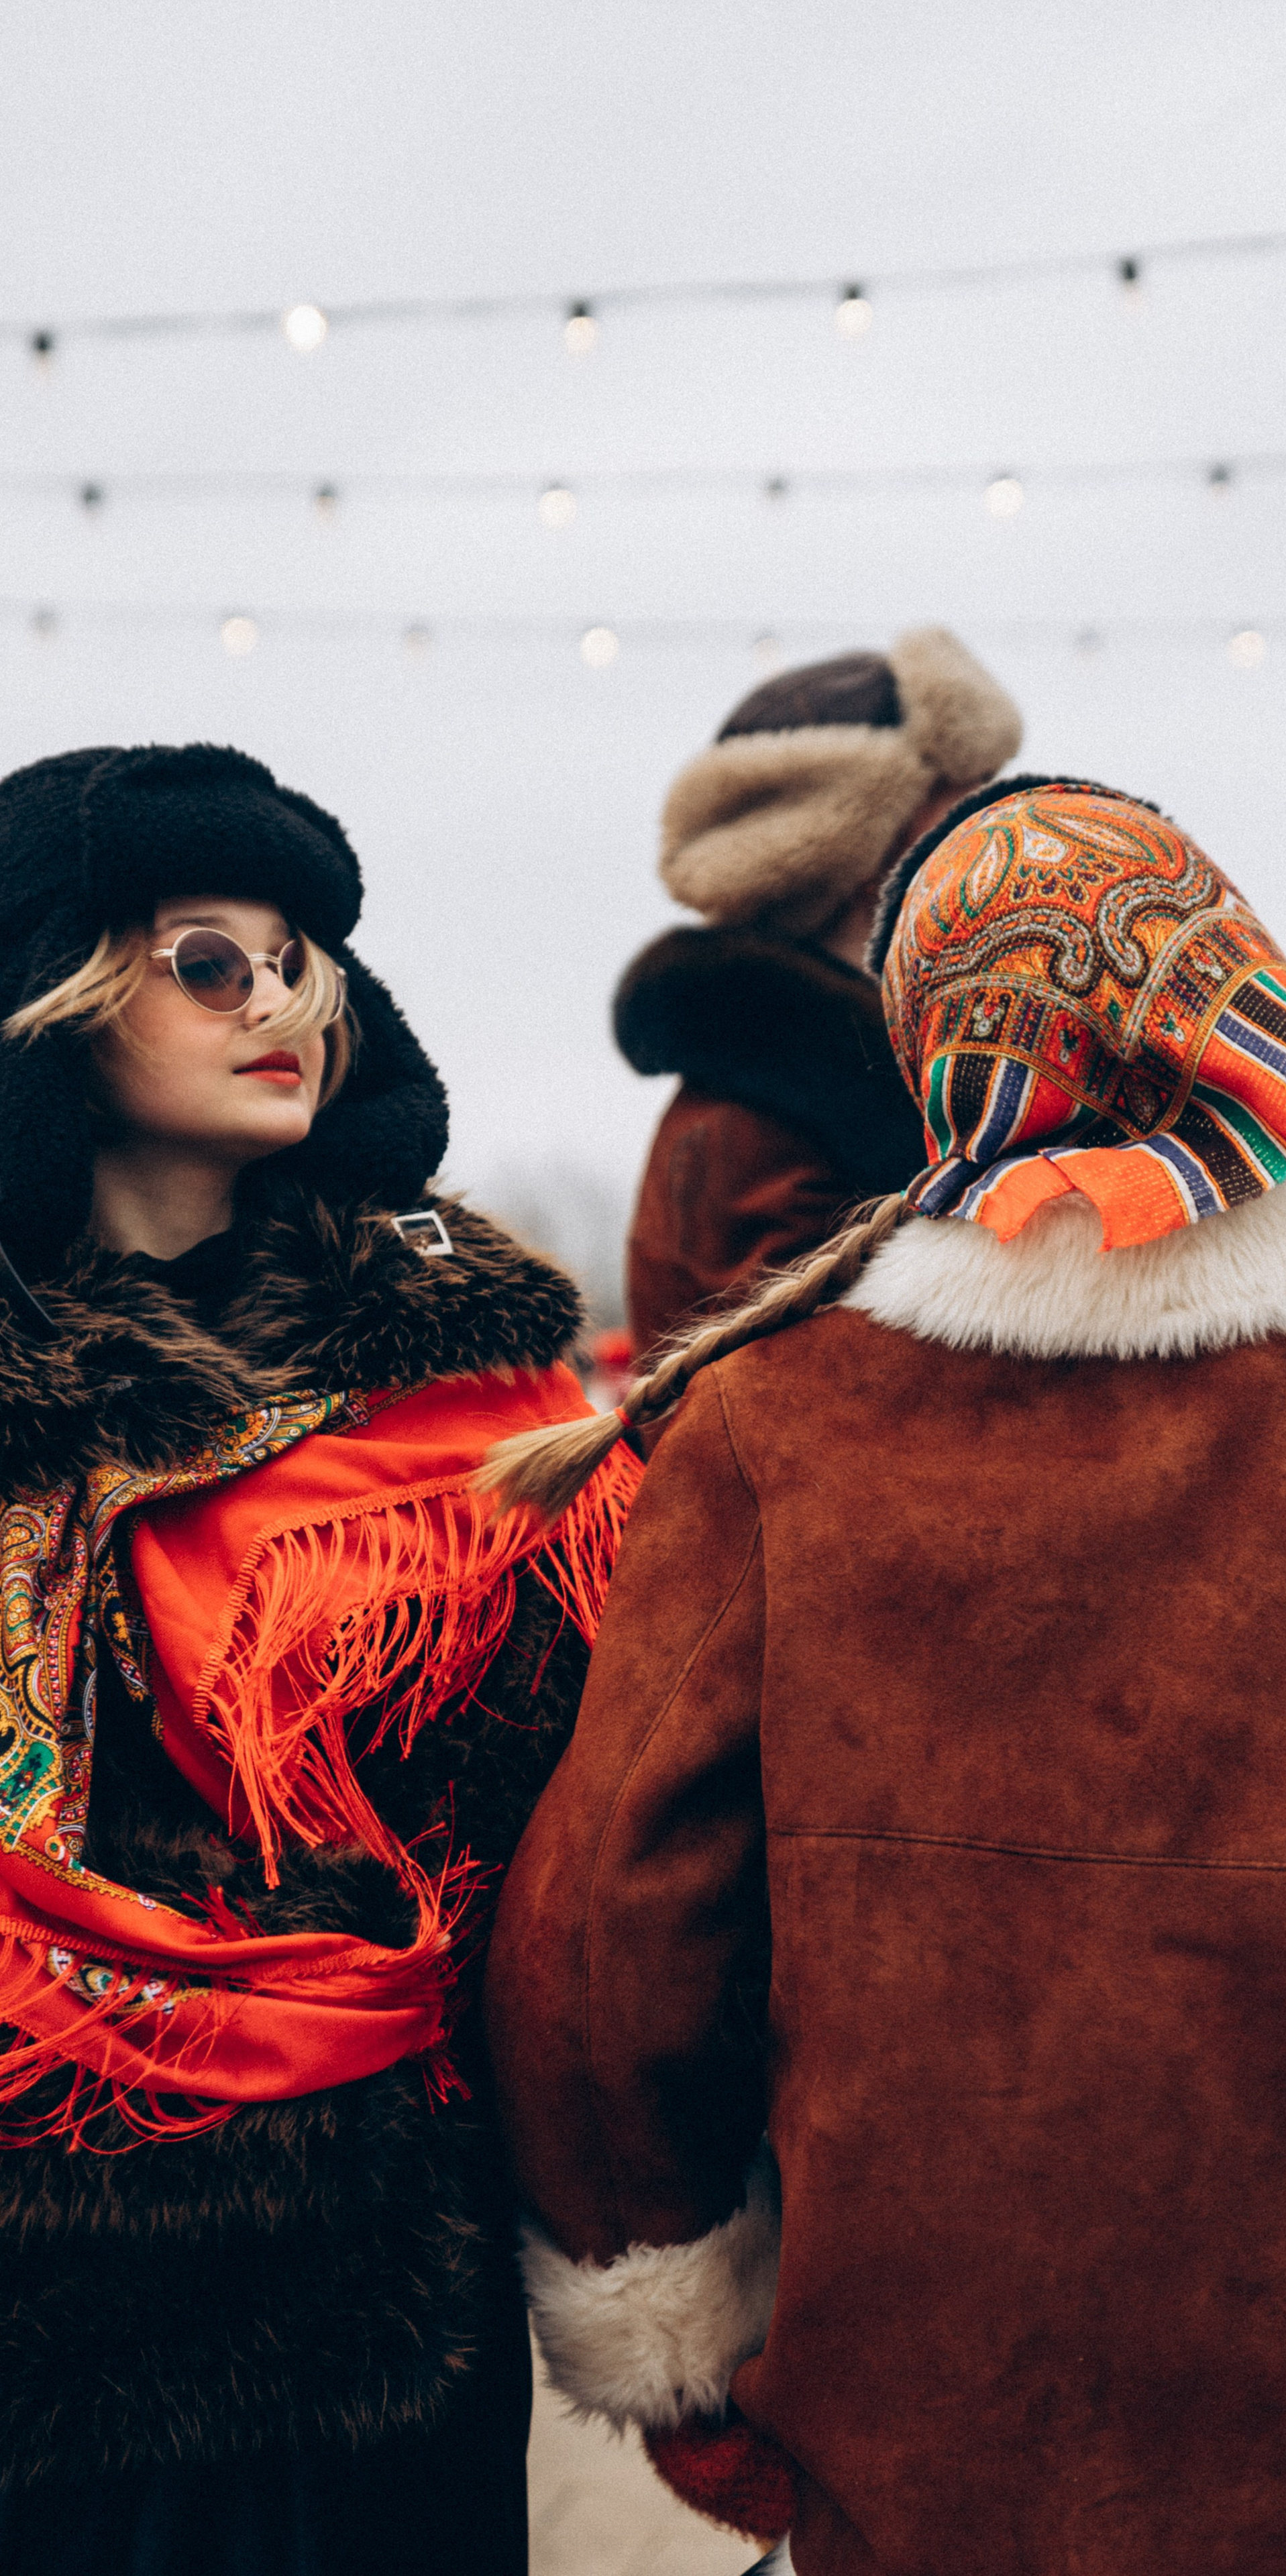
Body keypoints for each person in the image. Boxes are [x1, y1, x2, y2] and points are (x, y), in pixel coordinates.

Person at [484, 781, 1286, 2576]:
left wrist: (673, 2319)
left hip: (917, 2438)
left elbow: (609, 1937)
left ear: (934, 1054)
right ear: (1234, 1003)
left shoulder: (773, 1430)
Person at [0, 744, 637, 2576]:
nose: (273, 999)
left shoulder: (467, 1385)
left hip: (366, 2278)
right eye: (207, 959)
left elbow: (588, 1833)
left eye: (297, 963)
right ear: (54, 991)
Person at [614, 628, 1021, 1356]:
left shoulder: (910, 1086)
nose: (1003, 838)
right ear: (872, 847)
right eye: (963, 811)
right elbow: (831, 1410)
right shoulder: (751, 1138)